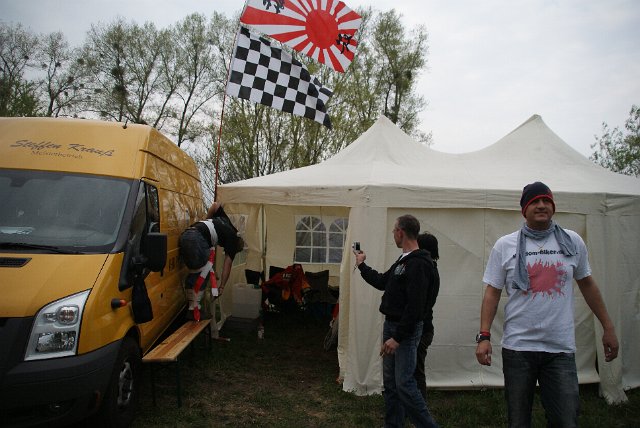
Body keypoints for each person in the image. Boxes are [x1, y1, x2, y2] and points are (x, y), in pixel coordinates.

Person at [475, 181, 619, 428]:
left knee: (566, 420)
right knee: (518, 421)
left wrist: (608, 327)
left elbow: (587, 284)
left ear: (553, 206)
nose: (541, 205)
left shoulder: (572, 241)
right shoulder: (505, 245)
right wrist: (484, 336)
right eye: (534, 202)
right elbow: (492, 292)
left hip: (559, 347)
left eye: (546, 201)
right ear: (524, 209)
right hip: (519, 347)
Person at [354, 214, 439, 428]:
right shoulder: (404, 261)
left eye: (394, 230)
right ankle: (393, 425)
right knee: (392, 384)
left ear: (401, 232)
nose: (393, 234)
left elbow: (415, 306)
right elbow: (383, 281)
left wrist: (398, 337)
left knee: (405, 384)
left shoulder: (419, 263)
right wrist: (362, 266)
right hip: (392, 326)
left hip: (404, 331)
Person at [185, 201, 244, 322]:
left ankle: (191, 306)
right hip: (197, 238)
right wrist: (221, 286)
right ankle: (194, 310)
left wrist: (206, 220)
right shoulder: (233, 241)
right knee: (203, 273)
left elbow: (215, 205)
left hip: (187, 233)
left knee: (194, 272)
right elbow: (227, 265)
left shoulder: (227, 223)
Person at [415, 232, 440, 402]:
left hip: (422, 328)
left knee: (416, 371)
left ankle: (419, 407)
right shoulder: (431, 268)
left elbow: (419, 304)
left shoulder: (426, 270)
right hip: (424, 327)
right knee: (415, 370)